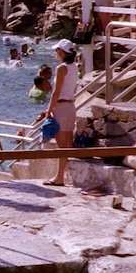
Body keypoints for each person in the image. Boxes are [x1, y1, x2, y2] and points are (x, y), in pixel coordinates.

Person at [44, 39, 80, 187]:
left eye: (57, 50)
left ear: (61, 52)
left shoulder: (61, 68)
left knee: (61, 145)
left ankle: (59, 177)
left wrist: (49, 110)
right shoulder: (75, 67)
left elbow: (56, 92)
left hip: (61, 107)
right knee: (67, 144)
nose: (55, 53)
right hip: (71, 106)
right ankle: (61, 176)